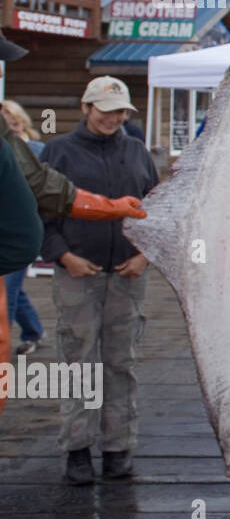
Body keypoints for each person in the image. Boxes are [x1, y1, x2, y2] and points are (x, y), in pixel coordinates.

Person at [41, 76, 158, 486]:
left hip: (127, 276)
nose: (113, 118)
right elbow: (42, 214)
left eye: (120, 111)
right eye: (106, 110)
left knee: (120, 363)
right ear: (87, 107)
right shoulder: (58, 152)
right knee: (78, 361)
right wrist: (63, 256)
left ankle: (117, 447)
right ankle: (76, 449)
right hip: (78, 274)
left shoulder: (138, 152)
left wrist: (145, 257)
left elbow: (157, 213)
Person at [2, 99, 46, 355]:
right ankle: (34, 330)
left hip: (22, 229)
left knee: (10, 289)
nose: (12, 128)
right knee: (13, 290)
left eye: (15, 123)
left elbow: (46, 184)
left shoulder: (37, 149)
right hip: (9, 229)